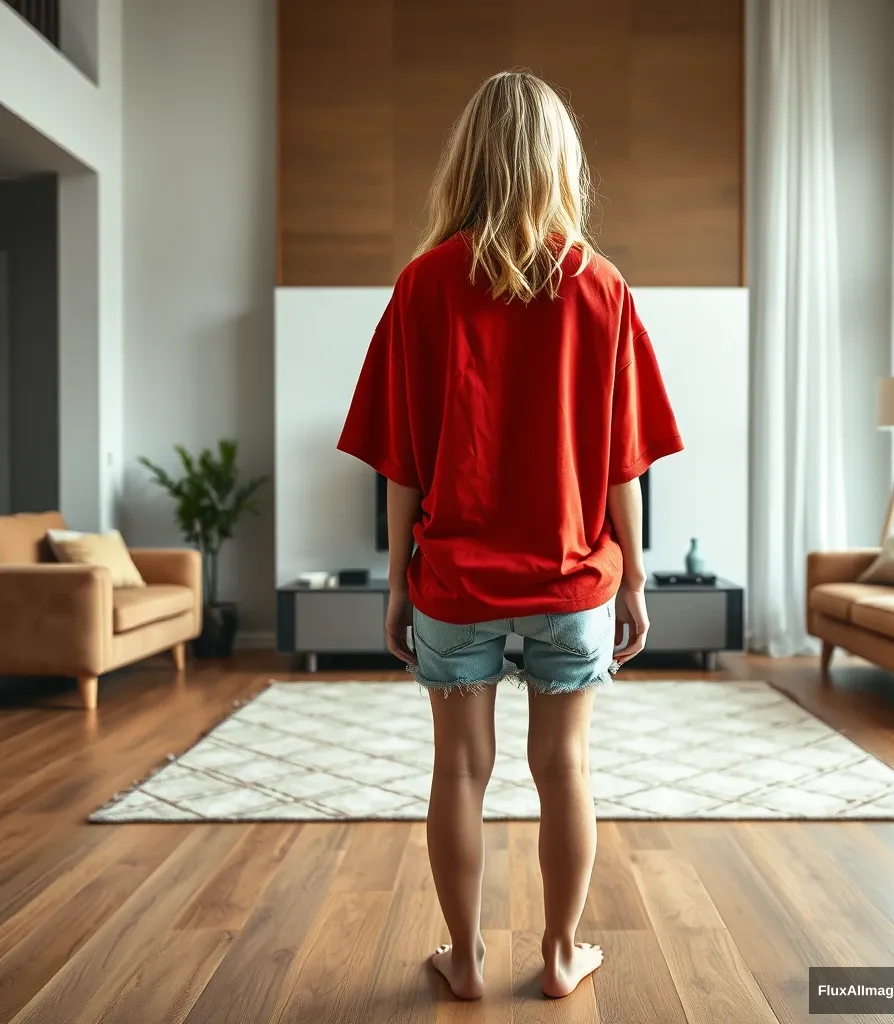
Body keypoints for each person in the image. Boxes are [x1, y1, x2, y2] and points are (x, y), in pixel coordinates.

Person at [337, 70, 682, 1001]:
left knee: (459, 766)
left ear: (468, 163)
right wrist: (638, 580)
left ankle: (465, 958)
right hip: (574, 579)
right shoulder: (601, 288)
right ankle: (563, 955)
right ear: (558, 163)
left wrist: (397, 583)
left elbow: (400, 463)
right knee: (565, 766)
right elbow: (623, 466)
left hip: (453, 578)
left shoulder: (421, 286)